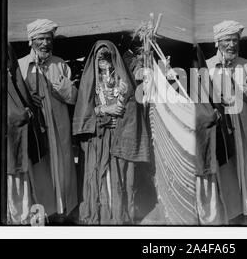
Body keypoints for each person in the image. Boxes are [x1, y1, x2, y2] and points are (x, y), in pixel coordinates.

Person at [73, 40, 151, 224]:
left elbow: (133, 107)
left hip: (120, 136)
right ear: (94, 60)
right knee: (102, 177)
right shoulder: (90, 81)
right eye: (100, 58)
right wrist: (106, 110)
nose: (103, 61)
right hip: (100, 139)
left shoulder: (123, 79)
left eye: (107, 57)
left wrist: (125, 98)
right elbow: (86, 110)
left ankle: (119, 217)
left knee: (120, 179)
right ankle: (104, 217)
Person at [18, 19, 78, 221]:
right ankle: (42, 213)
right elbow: (14, 98)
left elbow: (73, 97)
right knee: (40, 169)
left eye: (48, 39)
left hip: (59, 127)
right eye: (41, 39)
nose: (45, 43)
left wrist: (60, 86)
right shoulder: (21, 65)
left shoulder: (60, 64)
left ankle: (62, 213)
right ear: (31, 41)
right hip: (37, 129)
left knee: (62, 168)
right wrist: (27, 100)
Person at [206, 20, 247, 223]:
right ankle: (231, 212)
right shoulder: (208, 67)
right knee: (227, 168)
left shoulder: (246, 66)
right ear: (217, 42)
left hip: (245, 127)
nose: (231, 45)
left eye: (234, 40)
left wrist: (244, 86)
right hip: (223, 129)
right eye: (227, 40)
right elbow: (203, 101)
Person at [7, 44, 48, 225]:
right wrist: (21, 114)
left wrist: (29, 105)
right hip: (7, 145)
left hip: (18, 142)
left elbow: (22, 96)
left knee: (22, 182)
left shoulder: (11, 76)